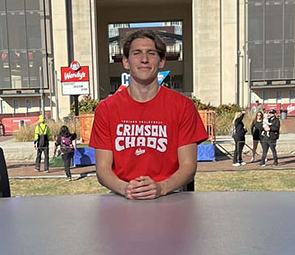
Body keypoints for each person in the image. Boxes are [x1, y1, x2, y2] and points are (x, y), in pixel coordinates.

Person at [89, 28, 207, 200]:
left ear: (161, 62)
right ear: (126, 62)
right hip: (123, 199)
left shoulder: (183, 106)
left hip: (169, 198)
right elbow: (102, 168)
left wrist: (161, 187)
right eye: (137, 53)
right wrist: (126, 189)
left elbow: (188, 166)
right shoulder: (106, 109)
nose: (144, 59)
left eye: (151, 53)